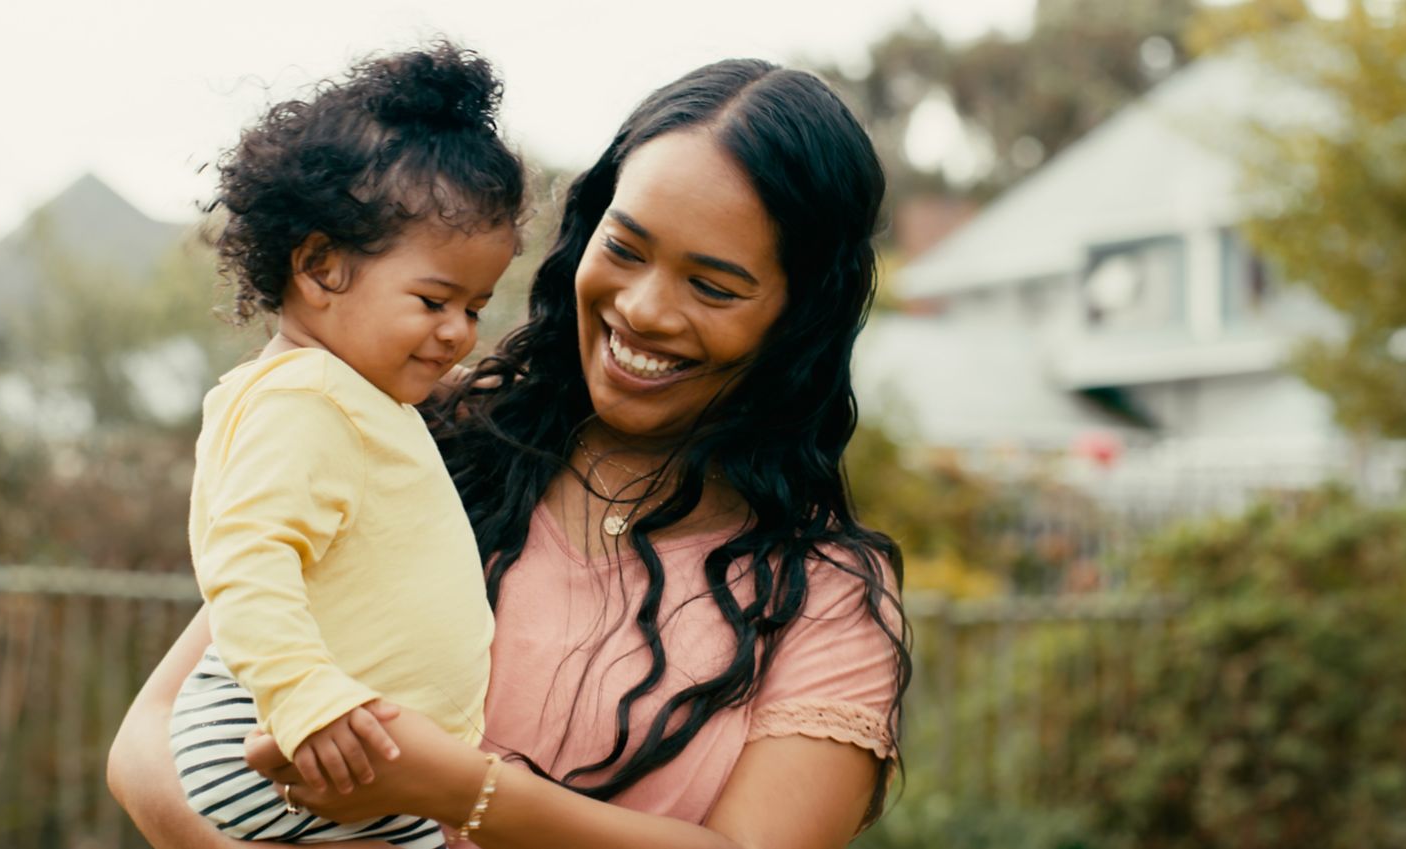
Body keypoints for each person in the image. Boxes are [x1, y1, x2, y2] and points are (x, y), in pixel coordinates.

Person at [110, 55, 911, 849]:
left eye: (713, 287)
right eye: (625, 249)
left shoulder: (825, 600)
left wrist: (459, 790)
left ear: (799, 318)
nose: (642, 309)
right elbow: (150, 736)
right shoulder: (420, 424)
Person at [164, 42, 525, 848]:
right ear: (321, 265)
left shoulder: (354, 395)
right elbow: (247, 555)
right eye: (435, 299)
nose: (459, 332)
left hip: (331, 735)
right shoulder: (304, 401)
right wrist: (304, 696)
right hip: (280, 734)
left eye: (475, 306)